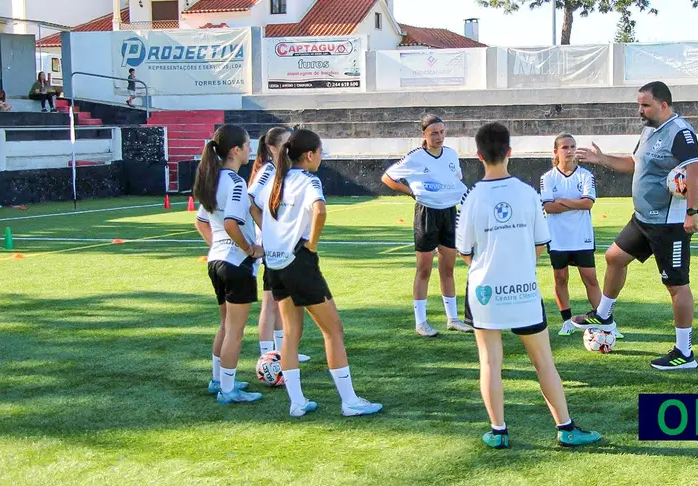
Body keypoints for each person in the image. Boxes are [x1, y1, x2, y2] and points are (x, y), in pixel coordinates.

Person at [457, 122, 602, 449]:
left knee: (490, 362)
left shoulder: (471, 197)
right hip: (523, 291)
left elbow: (465, 253)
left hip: (484, 293)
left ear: (478, 155)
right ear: (509, 152)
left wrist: (490, 265)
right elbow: (539, 245)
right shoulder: (527, 193)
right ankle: (565, 427)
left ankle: (499, 431)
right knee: (543, 361)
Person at [573, 81, 698, 371]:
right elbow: (635, 163)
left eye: (645, 105)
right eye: (639, 104)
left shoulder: (680, 132)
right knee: (614, 257)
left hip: (669, 225)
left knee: (676, 286)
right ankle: (604, 315)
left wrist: (692, 212)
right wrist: (602, 159)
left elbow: (697, 168)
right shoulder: (649, 130)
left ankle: (684, 353)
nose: (640, 110)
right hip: (643, 219)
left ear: (664, 105)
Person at [254, 128, 382, 418]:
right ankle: (349, 401)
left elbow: (253, 203)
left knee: (290, 333)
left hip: (275, 265)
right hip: (299, 263)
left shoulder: (277, 178)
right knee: (333, 330)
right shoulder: (308, 179)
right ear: (310, 155)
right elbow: (320, 211)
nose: (322, 157)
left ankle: (297, 402)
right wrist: (311, 244)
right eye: (321, 152)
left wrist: (273, 236)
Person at [380, 114, 473, 337]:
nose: (439, 137)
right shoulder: (415, 157)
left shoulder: (451, 154)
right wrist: (411, 192)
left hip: (449, 213)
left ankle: (453, 319)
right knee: (423, 269)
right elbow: (387, 178)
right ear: (424, 134)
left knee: (448, 268)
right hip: (426, 214)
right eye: (434, 133)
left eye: (442, 132)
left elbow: (455, 179)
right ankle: (421, 322)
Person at [193, 124, 264, 403]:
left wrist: (218, 248)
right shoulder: (234, 182)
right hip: (235, 264)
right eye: (247, 145)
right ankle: (228, 390)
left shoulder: (212, 180)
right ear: (236, 150)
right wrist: (249, 249)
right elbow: (231, 223)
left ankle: (218, 380)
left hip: (217, 262)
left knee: (225, 325)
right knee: (235, 330)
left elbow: (201, 223)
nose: (251, 150)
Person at [539, 133, 620, 338]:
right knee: (560, 278)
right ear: (556, 151)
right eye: (565, 147)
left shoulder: (585, 175)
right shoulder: (547, 178)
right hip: (557, 237)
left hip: (581, 236)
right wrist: (574, 203)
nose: (570, 151)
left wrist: (564, 201)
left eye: (572, 146)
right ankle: (566, 321)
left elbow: (588, 203)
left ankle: (607, 323)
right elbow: (548, 207)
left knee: (590, 279)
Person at [248, 126, 311, 365]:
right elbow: (250, 198)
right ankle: (267, 357)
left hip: (284, 246)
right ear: (273, 148)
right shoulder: (268, 170)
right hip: (271, 247)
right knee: (270, 302)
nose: (290, 147)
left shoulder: (286, 171)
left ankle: (282, 351)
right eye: (285, 143)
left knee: (283, 301)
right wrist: (270, 230)